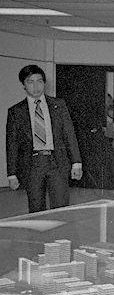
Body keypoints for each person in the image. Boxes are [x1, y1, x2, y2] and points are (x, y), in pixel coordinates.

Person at [6, 64, 82, 213]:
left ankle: (59, 236)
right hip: (33, 164)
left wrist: (76, 163)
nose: (36, 86)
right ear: (23, 85)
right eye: (30, 82)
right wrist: (12, 173)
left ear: (44, 83)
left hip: (57, 162)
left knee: (61, 208)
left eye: (39, 81)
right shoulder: (16, 112)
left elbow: (69, 135)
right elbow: (12, 144)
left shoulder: (59, 105)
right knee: (36, 209)